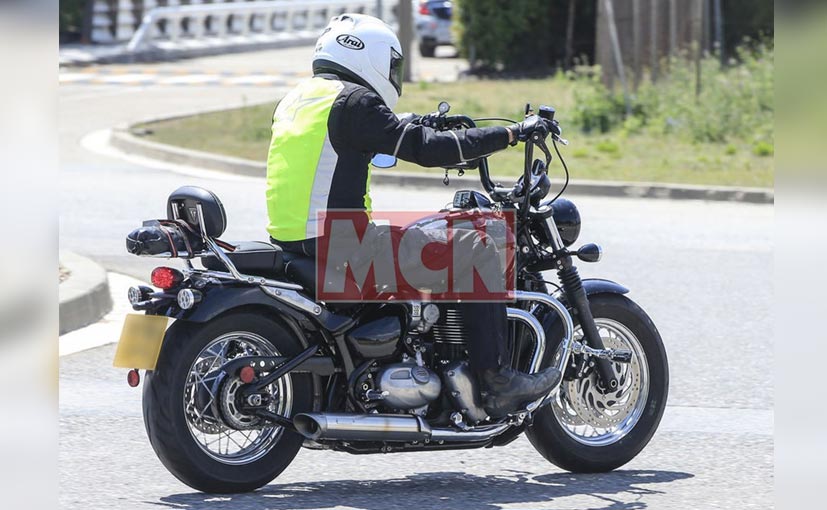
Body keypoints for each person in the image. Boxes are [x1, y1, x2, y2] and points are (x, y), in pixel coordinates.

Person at [265, 13, 560, 417]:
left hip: (296, 242)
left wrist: (423, 120)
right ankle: (496, 379)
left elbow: (377, 132)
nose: (393, 75)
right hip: (344, 247)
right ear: (367, 56)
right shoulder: (355, 101)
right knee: (479, 246)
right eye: (392, 65)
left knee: (418, 234)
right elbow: (424, 149)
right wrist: (510, 134)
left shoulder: (301, 99)